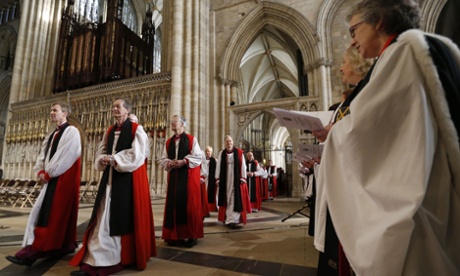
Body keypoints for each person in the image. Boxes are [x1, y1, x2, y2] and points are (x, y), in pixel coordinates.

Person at [316, 0, 460, 275]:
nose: (353, 41)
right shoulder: (433, 46)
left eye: (354, 30)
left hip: (420, 201)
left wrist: (334, 133)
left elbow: (371, 131)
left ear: (379, 22)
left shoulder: (400, 53)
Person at [70, 98, 156, 276]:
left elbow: (138, 155)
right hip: (108, 180)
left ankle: (110, 260)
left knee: (114, 220)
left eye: (118, 106)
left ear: (127, 110)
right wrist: (102, 158)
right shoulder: (110, 130)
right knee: (101, 218)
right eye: (113, 106)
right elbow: (101, 149)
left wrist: (115, 159)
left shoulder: (136, 129)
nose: (114, 109)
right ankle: (94, 259)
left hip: (124, 181)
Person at [6, 102, 81, 267]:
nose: (51, 113)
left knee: (51, 216)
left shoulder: (72, 132)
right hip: (52, 179)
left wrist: (49, 173)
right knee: (51, 215)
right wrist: (40, 171)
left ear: (65, 113)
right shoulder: (53, 133)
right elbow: (43, 154)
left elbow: (67, 156)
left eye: (55, 110)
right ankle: (63, 245)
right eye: (51, 110)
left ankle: (31, 253)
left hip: (62, 181)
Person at [160, 115, 203, 248]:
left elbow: (198, 157)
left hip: (187, 179)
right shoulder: (168, 142)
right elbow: (162, 159)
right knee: (173, 207)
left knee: (188, 207)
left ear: (183, 124)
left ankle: (191, 235)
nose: (172, 123)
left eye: (175, 121)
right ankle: (173, 235)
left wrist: (183, 161)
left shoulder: (191, 140)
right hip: (174, 179)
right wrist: (170, 163)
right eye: (171, 121)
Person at [215, 135, 251, 229]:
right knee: (226, 199)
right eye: (227, 141)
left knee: (234, 199)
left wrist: (243, 177)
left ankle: (233, 221)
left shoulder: (239, 152)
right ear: (224, 143)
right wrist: (218, 178)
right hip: (225, 180)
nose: (228, 143)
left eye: (230, 141)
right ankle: (227, 219)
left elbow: (243, 165)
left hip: (236, 180)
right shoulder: (222, 153)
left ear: (233, 142)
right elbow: (218, 166)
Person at [203, 146, 218, 212]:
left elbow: (217, 170)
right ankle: (205, 207)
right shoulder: (203, 160)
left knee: (211, 192)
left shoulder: (214, 160)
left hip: (211, 179)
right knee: (204, 192)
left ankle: (211, 208)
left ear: (211, 152)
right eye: (206, 151)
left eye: (209, 151)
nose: (207, 152)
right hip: (204, 178)